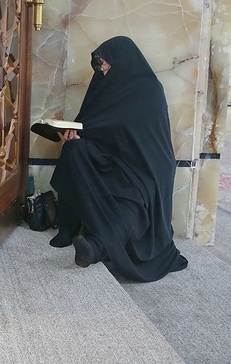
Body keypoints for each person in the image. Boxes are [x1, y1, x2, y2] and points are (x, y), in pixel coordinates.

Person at [48, 36, 188, 282]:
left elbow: (126, 129)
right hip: (112, 160)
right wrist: (75, 136)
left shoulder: (149, 90)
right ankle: (67, 226)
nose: (102, 70)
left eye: (106, 64)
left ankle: (95, 249)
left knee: (131, 206)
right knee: (74, 151)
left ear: (124, 61)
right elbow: (91, 124)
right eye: (99, 65)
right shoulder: (103, 86)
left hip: (145, 169)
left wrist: (86, 130)